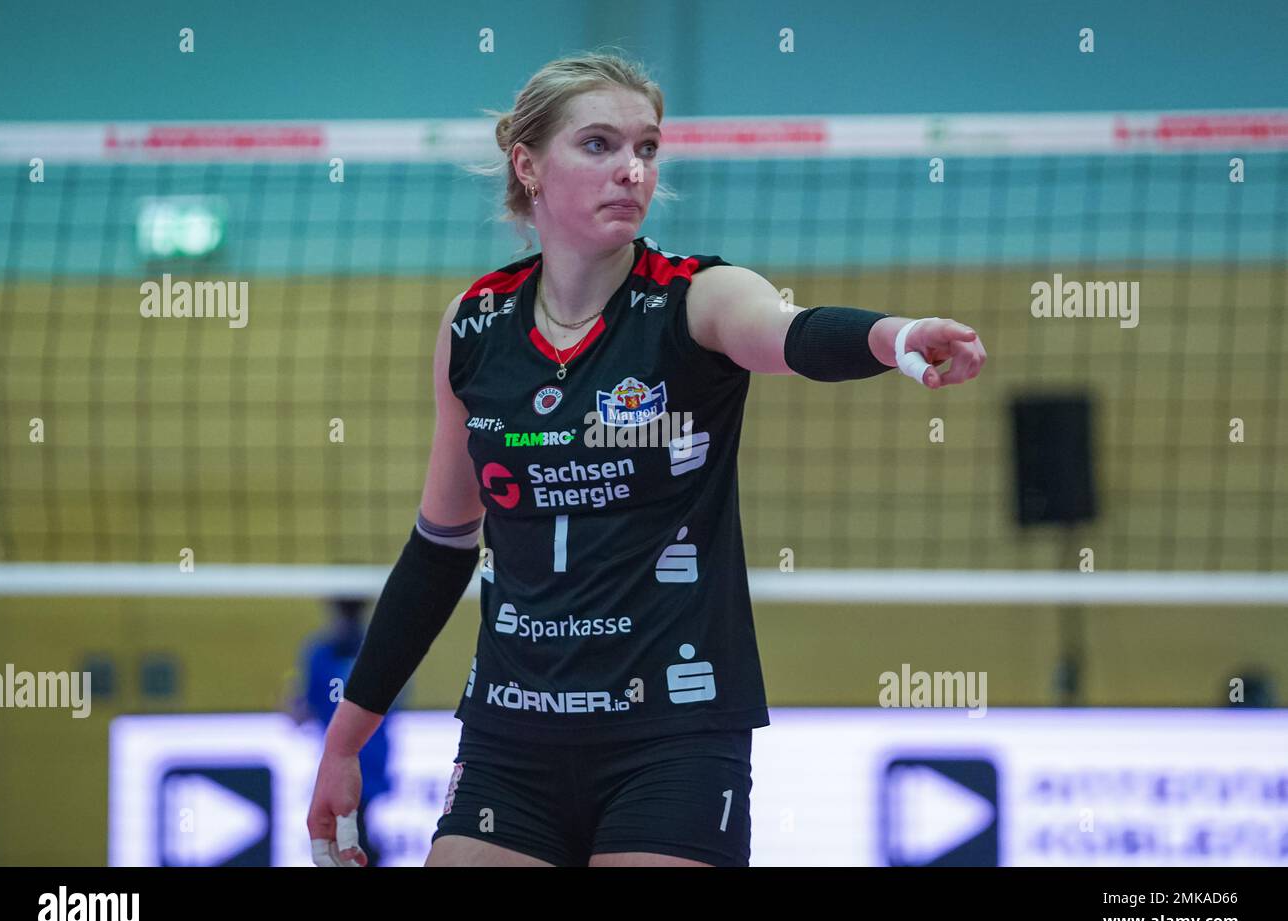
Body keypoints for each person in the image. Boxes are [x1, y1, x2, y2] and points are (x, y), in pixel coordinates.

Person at [307, 49, 986, 868]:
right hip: (512, 732)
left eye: (648, 148)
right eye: (599, 145)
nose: (632, 170)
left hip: (673, 735)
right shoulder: (475, 322)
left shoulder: (697, 297)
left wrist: (896, 338)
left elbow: (790, 330)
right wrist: (346, 740)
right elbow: (442, 545)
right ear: (528, 164)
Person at [295, 598, 392, 866]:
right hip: (365, 754)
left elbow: (304, 709)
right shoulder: (376, 648)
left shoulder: (322, 654)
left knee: (348, 830)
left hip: (352, 756)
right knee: (354, 826)